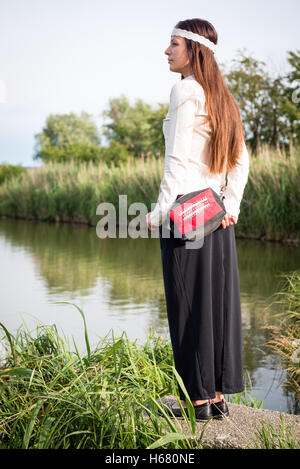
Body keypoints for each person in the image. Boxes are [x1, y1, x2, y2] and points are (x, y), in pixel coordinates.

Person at [146, 18, 249, 421]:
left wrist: (159, 211)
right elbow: (241, 162)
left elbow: (176, 160)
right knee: (217, 307)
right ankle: (218, 396)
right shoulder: (222, 96)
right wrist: (230, 206)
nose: (166, 51)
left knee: (188, 306)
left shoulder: (186, 90)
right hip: (216, 215)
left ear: (193, 50)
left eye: (173, 44)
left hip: (185, 212)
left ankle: (198, 402)